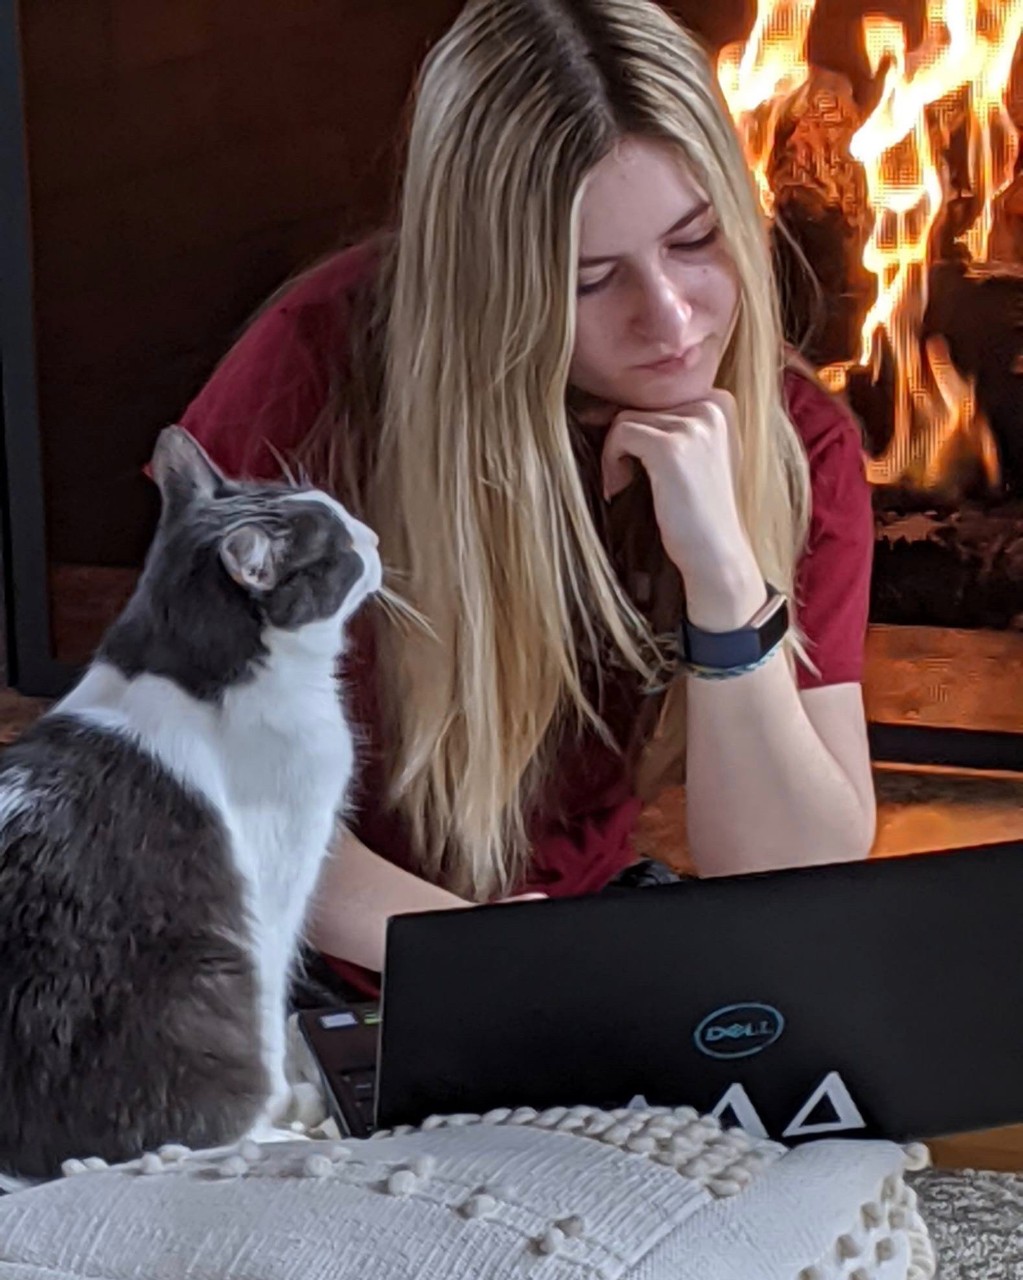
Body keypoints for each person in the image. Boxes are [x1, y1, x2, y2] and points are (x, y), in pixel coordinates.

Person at [177, 0, 877, 986]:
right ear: (492, 285)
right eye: (591, 279)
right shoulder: (310, 379)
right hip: (293, 944)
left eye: (696, 240)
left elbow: (789, 876)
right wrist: (477, 960)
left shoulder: (799, 439)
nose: (672, 320)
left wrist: (726, 578)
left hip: (566, 947)